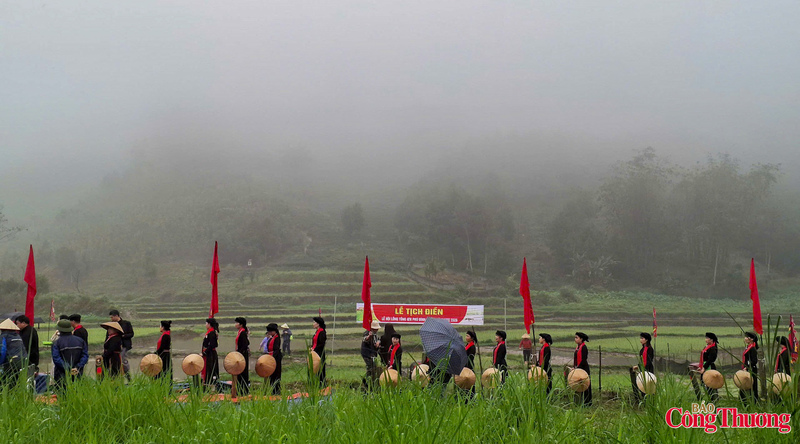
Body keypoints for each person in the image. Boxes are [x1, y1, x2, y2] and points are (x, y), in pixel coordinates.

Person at [52, 319, 88, 390]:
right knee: (77, 393)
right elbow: (85, 356)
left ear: (59, 330)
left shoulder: (57, 343)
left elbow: (56, 358)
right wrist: (77, 367)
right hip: (77, 373)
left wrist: (68, 368)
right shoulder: (80, 341)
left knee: (62, 394)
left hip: (61, 375)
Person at [0, 319, 27, 388]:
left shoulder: (3, 337)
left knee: (6, 383)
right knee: (15, 382)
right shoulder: (18, 336)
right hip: (22, 363)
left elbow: (2, 351)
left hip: (10, 364)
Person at [108, 310, 134, 380]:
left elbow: (131, 334)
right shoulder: (112, 325)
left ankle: (128, 377)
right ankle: (114, 378)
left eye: (112, 317)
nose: (111, 319)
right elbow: (108, 336)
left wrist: (123, 336)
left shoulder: (126, 323)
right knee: (113, 361)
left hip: (124, 345)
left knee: (122, 360)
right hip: (114, 346)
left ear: (116, 316)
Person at [692, 332, 718, 402]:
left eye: (707, 338)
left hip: (709, 367)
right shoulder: (707, 347)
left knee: (710, 383)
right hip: (705, 365)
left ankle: (713, 399)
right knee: (704, 383)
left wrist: (704, 367)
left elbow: (710, 359)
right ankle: (709, 398)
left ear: (711, 340)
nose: (705, 339)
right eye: (706, 338)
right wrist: (701, 366)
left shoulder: (713, 348)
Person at [630, 332, 654, 403]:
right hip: (643, 369)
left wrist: (643, 368)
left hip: (648, 370)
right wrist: (639, 366)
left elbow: (648, 361)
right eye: (641, 338)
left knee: (648, 387)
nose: (641, 340)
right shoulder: (642, 349)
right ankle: (644, 401)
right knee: (642, 386)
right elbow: (642, 360)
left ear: (646, 340)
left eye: (642, 338)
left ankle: (648, 402)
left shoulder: (649, 349)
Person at [571, 332, 592, 406]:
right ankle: (579, 402)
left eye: (577, 338)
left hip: (584, 368)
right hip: (579, 368)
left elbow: (583, 360)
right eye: (575, 337)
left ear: (581, 339)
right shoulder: (578, 347)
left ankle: (587, 403)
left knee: (586, 386)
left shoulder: (584, 348)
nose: (575, 339)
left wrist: (577, 368)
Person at [740, 332, 758, 405]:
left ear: (751, 339)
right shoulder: (748, 348)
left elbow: (754, 361)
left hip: (751, 369)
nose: (745, 338)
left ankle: (754, 403)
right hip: (746, 369)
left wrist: (747, 367)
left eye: (747, 337)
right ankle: (744, 402)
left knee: (753, 387)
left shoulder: (752, 349)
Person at [361, 321, 381, 389]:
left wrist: (378, 343)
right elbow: (365, 339)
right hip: (367, 354)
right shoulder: (367, 333)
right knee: (370, 367)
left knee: (373, 367)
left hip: (373, 354)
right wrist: (369, 336)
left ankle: (369, 381)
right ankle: (366, 381)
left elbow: (377, 341)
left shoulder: (376, 335)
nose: (376, 330)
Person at [265, 323, 282, 395]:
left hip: (276, 358)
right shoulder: (272, 338)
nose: (269, 333)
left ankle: (276, 391)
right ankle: (272, 390)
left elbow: (276, 350)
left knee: (276, 375)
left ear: (274, 331)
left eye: (270, 331)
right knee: (271, 375)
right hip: (271, 356)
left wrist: (271, 358)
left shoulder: (277, 338)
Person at [202, 318, 219, 388]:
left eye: (206, 323)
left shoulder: (212, 333)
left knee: (210, 369)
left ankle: (210, 385)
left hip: (210, 354)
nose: (205, 325)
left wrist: (205, 352)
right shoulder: (210, 332)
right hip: (208, 353)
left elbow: (213, 345)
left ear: (209, 324)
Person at [234, 317, 250, 394]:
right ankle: (240, 389)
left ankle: (243, 390)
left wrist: (239, 353)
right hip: (240, 353)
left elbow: (245, 344)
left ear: (241, 324)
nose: (235, 324)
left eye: (236, 323)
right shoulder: (241, 332)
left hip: (242, 354)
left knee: (243, 372)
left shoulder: (243, 333)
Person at [312, 317, 327, 387]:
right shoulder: (317, 332)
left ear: (318, 324)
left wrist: (314, 350)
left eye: (314, 322)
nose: (313, 324)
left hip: (319, 353)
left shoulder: (322, 332)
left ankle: (322, 386)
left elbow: (321, 344)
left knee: (320, 370)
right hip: (315, 353)